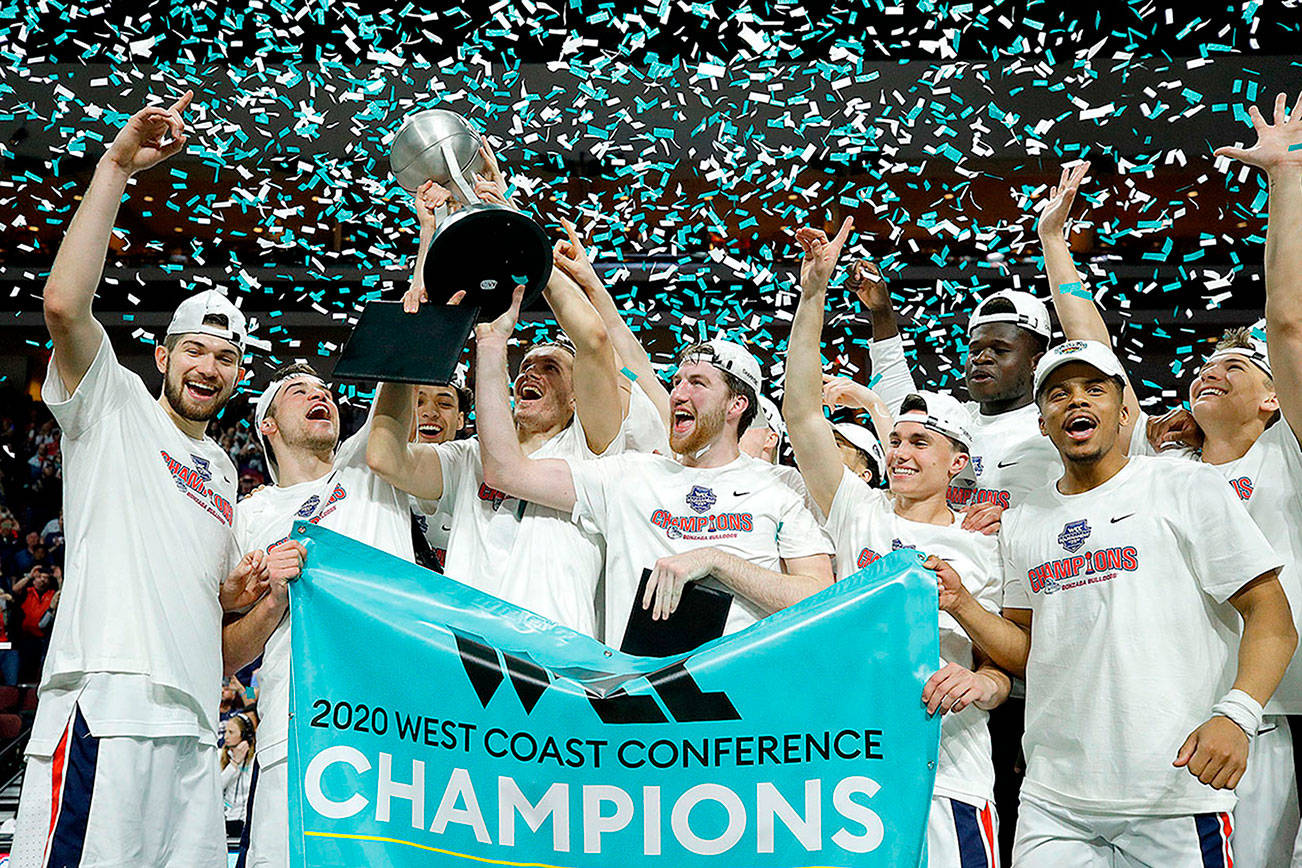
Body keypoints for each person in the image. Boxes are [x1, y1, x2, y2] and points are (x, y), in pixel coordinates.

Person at [10, 93, 272, 867]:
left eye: (226, 358)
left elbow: (210, 624)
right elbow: (64, 304)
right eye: (195, 350)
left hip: (193, 725)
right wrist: (118, 165)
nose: (209, 366)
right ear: (162, 356)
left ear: (237, 377)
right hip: (107, 705)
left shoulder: (222, 469)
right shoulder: (114, 405)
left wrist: (239, 596)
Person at [1040, 92, 1302, 864]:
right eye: (1205, 364)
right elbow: (1094, 354)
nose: (1210, 370)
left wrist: (1286, 180)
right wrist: (1055, 244)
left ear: (1274, 397)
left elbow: (1289, 323)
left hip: (1276, 709)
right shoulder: (1162, 470)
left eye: (1235, 366)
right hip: (1199, 722)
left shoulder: (1288, 451)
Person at [937, 339, 1297, 866]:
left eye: (1094, 389)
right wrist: (963, 604)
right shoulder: (1023, 520)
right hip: (1053, 799)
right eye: (1059, 393)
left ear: (1124, 412)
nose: (1077, 401)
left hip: (1173, 791)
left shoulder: (1187, 485)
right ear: (1042, 423)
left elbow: (1272, 616)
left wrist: (1238, 714)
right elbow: (1029, 653)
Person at [784, 219, 1009, 866]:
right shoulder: (856, 509)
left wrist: (985, 686)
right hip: (848, 771)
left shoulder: (986, 546)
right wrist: (813, 294)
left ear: (958, 462)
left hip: (950, 773)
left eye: (920, 442)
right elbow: (802, 412)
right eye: (896, 440)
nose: (900, 452)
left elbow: (1007, 663)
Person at [474, 284, 835, 650]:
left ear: (736, 404)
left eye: (697, 383)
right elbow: (506, 472)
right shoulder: (628, 476)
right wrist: (490, 347)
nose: (678, 393)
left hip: (739, 683)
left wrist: (716, 561)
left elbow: (819, 599)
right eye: (677, 382)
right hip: (638, 685)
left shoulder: (776, 492)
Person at [369, 230, 628, 636]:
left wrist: (531, 256)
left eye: (551, 368)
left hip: (554, 656)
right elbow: (386, 457)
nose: (530, 374)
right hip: (468, 653)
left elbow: (594, 340)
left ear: (577, 397)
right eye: (525, 367)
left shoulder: (593, 451)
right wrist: (412, 350)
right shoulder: (468, 458)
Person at [224, 362, 414, 868]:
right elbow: (223, 656)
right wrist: (273, 600)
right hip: (297, 737)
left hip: (402, 732)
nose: (320, 395)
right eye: (298, 391)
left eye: (325, 390)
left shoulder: (370, 465)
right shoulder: (246, 518)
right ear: (267, 424)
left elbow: (403, 368)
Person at [221, 713, 256, 838]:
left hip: (246, 822)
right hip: (224, 820)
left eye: (231, 732)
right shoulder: (220, 755)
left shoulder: (254, 760)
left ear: (245, 735)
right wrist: (234, 763)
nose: (226, 737)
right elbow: (216, 787)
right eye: (225, 732)